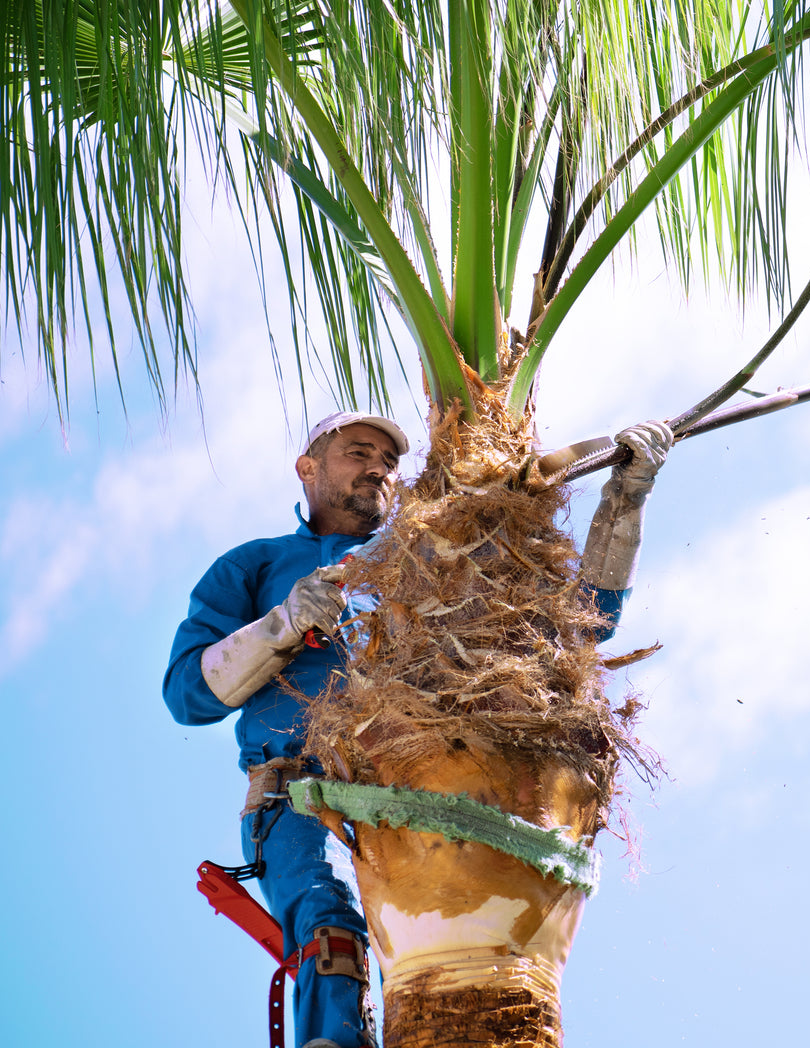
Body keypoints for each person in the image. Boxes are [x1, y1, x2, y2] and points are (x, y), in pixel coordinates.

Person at [163, 410, 673, 1048]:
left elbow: (584, 625)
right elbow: (189, 696)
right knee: (331, 926)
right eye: (357, 452)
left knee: (458, 943)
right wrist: (284, 624)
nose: (378, 467)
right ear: (308, 468)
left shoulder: (431, 549)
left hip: (423, 787)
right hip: (301, 789)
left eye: (388, 459)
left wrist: (626, 499)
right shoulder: (255, 566)